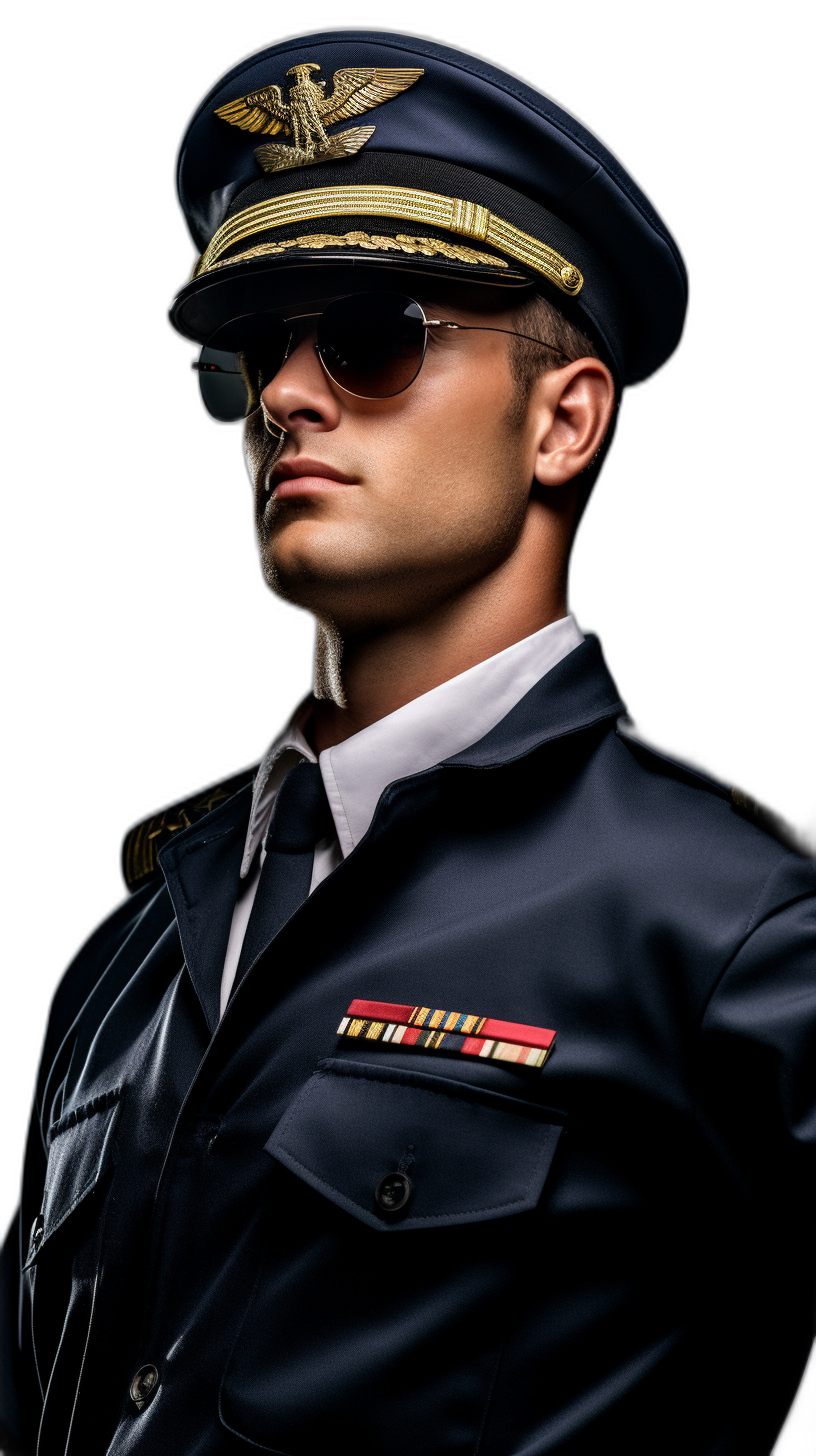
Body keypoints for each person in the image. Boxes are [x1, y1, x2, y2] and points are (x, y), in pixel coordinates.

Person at [2, 28, 813, 1456]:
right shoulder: (121, 965)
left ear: (565, 420)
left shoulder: (730, 932)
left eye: (374, 338)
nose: (283, 397)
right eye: (260, 353)